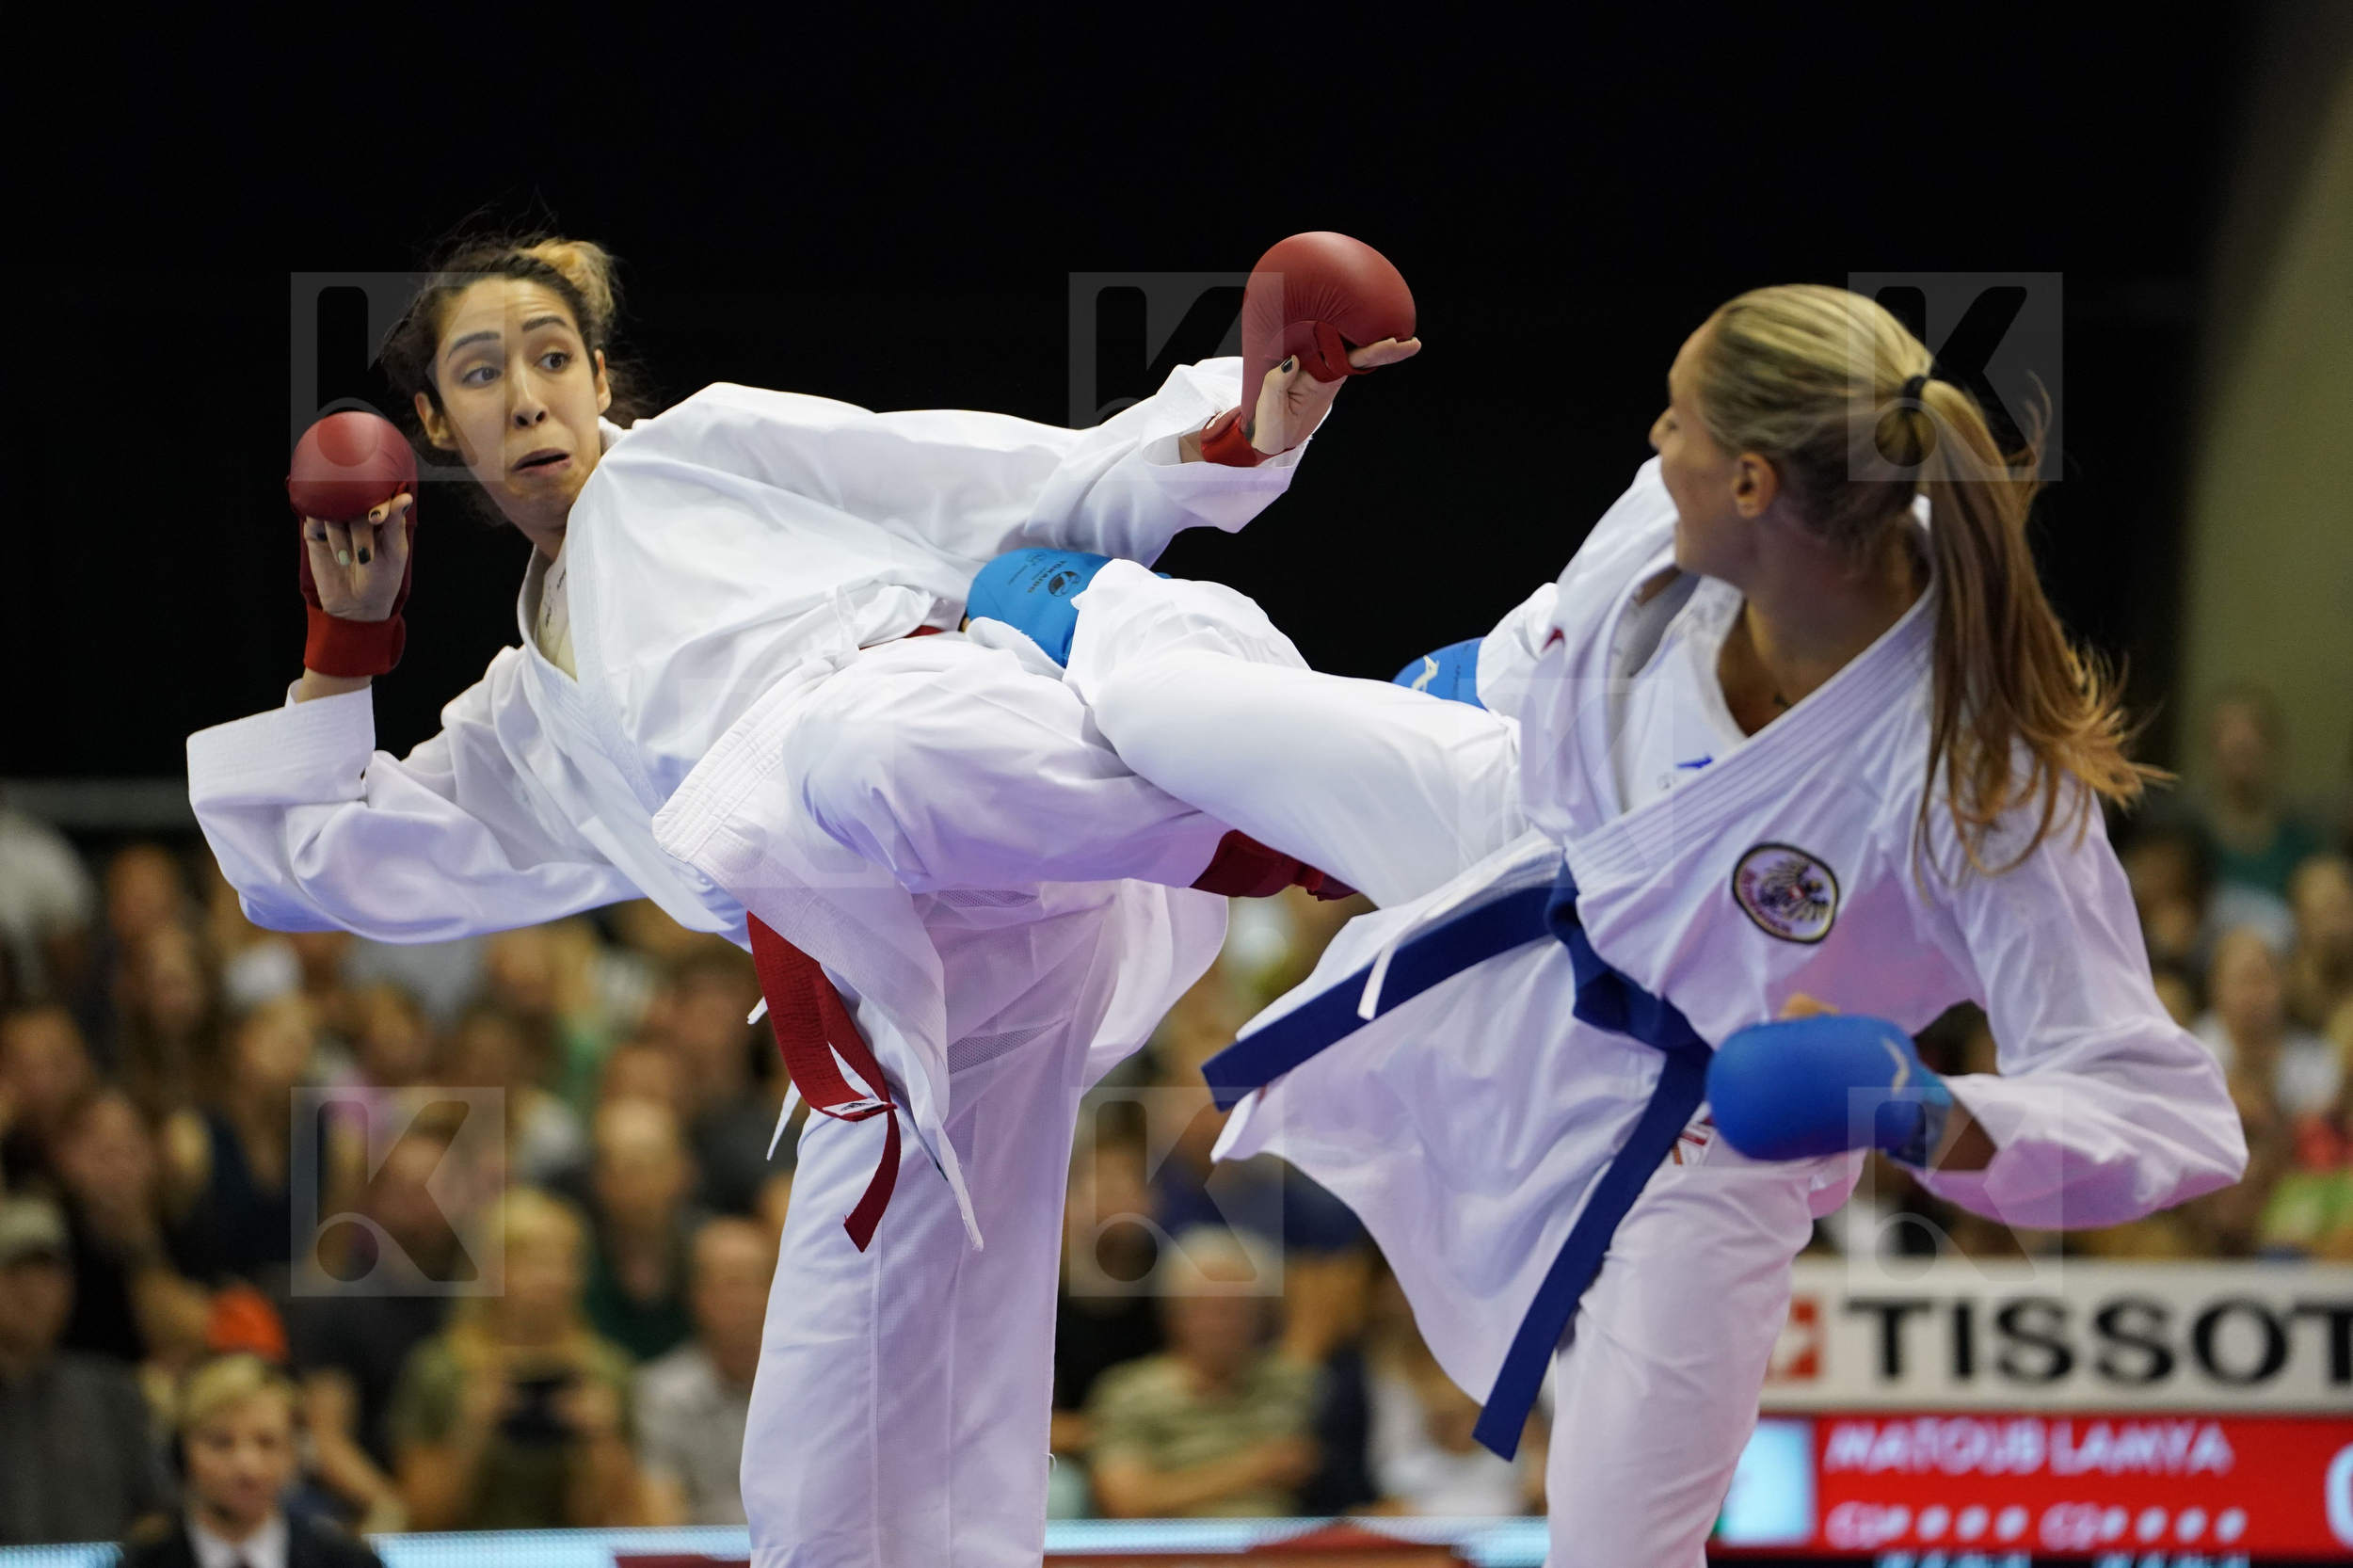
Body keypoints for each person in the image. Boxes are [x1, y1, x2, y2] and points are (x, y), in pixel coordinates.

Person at [188, 230, 1415, 1566]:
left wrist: (1240, 419)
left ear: (604, 378)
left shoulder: (708, 453)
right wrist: (345, 642)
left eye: (553, 358)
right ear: (435, 424)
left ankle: (1338, 790)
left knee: (851, 757)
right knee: (826, 1485)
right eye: (482, 374)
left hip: (966, 750)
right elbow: (324, 862)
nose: (528, 395)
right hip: (902, 1011)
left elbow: (996, 477)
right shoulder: (525, 728)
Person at [1025, 283, 2246, 1564]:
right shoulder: (1687, 524)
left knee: (1618, 1548)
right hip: (1523, 844)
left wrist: (1924, 1110)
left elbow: (2164, 1110)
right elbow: (1546, 642)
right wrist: (1444, 694)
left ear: (1758, 485)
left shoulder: (1976, 774)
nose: (1657, 445)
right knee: (1162, 711)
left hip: (1711, 1125)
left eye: (1680, 429)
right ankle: (1027, 599)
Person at [388, 1188, 643, 1531]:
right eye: (532, 1261)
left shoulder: (606, 1371)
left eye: (564, 1261)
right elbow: (422, 1519)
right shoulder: (441, 1370)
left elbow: (625, 1523)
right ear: (491, 1270)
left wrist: (602, 1443)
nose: (551, 1278)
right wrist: (470, 1429)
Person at [1084, 1227, 1320, 1519]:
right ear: (1174, 1314)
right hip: (1170, 1551)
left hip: (1278, 1549)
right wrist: (1255, 1468)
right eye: (1210, 1310)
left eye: (1238, 1310)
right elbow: (1125, 1501)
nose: (1224, 1325)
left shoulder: (1292, 1385)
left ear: (1262, 1318)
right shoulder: (1129, 1392)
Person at [0, 1194, 174, 1544]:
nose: (34, 1291)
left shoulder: (114, 1392)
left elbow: (158, 1513)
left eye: (49, 1274)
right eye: (15, 1274)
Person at [120, 1353, 384, 1568]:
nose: (247, 1466)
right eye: (221, 1442)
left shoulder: (351, 1564)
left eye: (267, 1442)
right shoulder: (138, 1564)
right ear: (180, 1453)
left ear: (296, 1453)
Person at [636, 1217, 776, 1526]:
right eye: (731, 1284)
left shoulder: (808, 1391)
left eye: (758, 1283)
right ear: (696, 1296)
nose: (745, 1301)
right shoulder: (662, 1393)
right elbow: (660, 1524)